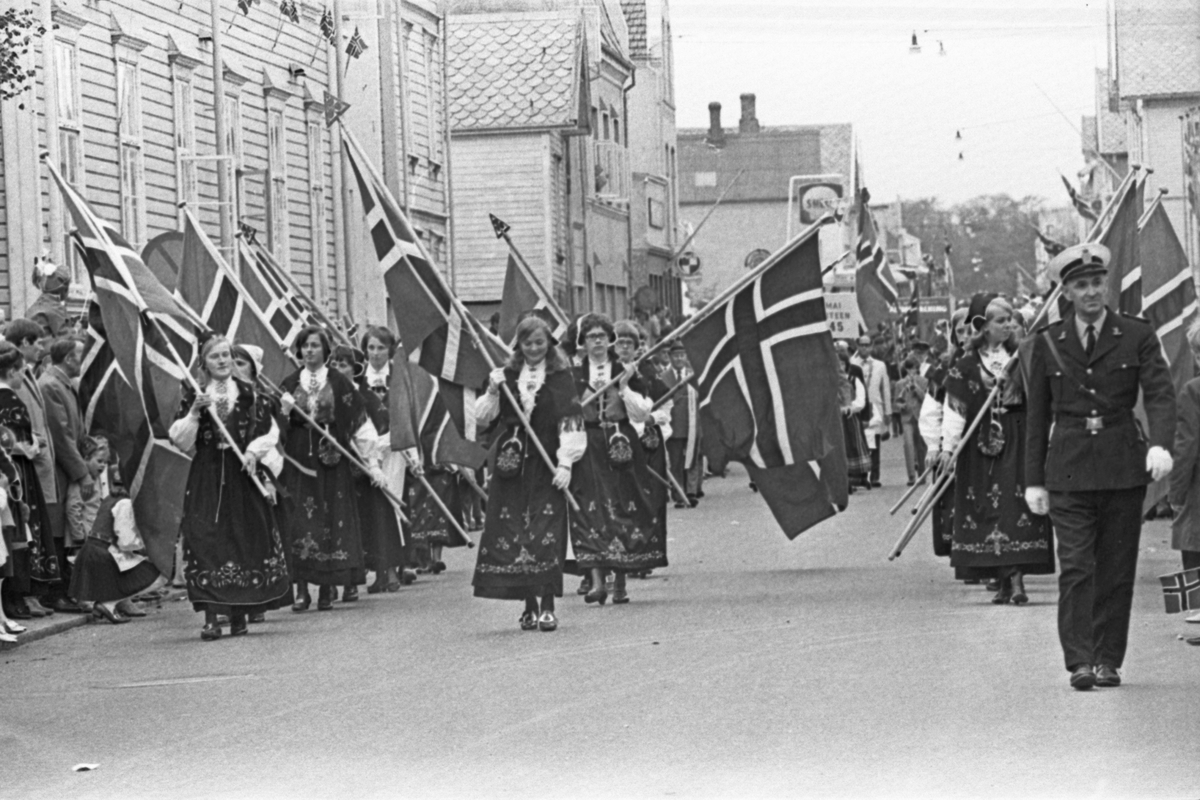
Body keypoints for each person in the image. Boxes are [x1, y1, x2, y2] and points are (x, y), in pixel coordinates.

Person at [1025, 243, 1176, 690]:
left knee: (1115, 566)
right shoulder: (1048, 343)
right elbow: (1038, 416)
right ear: (1065, 292)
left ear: (1105, 285)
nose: (1091, 292)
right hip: (1068, 468)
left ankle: (1109, 658)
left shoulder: (1135, 334)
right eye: (1080, 285)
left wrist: (1162, 444)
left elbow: (1161, 393)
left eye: (1096, 282)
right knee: (1075, 566)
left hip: (1122, 465)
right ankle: (1080, 661)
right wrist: (1033, 479)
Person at [169, 336, 290, 640]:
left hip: (241, 474)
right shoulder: (195, 395)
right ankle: (212, 617)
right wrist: (194, 413)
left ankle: (239, 613)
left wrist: (252, 452)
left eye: (227, 356)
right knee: (206, 538)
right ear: (204, 364)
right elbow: (180, 440)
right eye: (215, 357)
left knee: (242, 538)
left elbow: (270, 431)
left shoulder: (250, 394)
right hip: (207, 475)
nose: (223, 362)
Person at [472, 315, 584, 632]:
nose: (534, 348)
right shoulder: (505, 375)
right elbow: (483, 418)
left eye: (539, 342)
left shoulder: (560, 376)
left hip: (546, 461)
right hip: (512, 464)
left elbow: (571, 420)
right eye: (527, 343)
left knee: (545, 531)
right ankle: (528, 605)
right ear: (518, 345)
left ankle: (547, 603)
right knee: (515, 531)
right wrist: (493, 392)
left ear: (549, 343)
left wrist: (566, 463)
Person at [939, 294, 1054, 604]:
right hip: (979, 444)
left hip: (1018, 437)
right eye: (1000, 321)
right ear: (984, 327)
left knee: (1015, 507)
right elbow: (954, 408)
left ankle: (1016, 581)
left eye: (1009, 321)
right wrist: (948, 448)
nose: (1007, 326)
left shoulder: (1025, 356)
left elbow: (1043, 397)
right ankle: (1003, 580)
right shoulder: (965, 363)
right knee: (988, 509)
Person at [568, 313, 662, 605]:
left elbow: (642, 414)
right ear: (582, 342)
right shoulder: (574, 375)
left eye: (601, 336)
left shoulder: (625, 370)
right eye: (590, 336)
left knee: (622, 507)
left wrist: (624, 387)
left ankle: (620, 581)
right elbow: (565, 414)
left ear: (609, 340)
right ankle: (597, 581)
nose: (596, 341)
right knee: (588, 508)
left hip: (620, 442)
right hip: (587, 444)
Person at [278, 326, 371, 612]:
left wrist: (370, 461)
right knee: (301, 521)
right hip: (299, 461)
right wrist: (283, 411)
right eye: (305, 346)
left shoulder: (339, 382)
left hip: (332, 460)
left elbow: (357, 419)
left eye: (315, 345)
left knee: (330, 519)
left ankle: (328, 587)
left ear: (326, 350)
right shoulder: (289, 383)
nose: (309, 351)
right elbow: (273, 429)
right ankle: (302, 589)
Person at [0, 340, 60, 622]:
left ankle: (18, 595)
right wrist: (35, 442)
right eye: (21, 370)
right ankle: (23, 595)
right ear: (12, 371)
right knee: (25, 531)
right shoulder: (10, 399)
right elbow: (18, 443)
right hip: (18, 471)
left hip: (10, 466)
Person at [38, 336, 99, 611]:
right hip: (62, 473)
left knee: (68, 529)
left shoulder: (62, 384)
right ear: (69, 358)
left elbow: (74, 431)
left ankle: (66, 589)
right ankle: (57, 592)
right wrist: (82, 473)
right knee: (61, 530)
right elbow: (61, 437)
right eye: (79, 355)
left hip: (68, 470)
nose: (82, 360)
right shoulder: (51, 386)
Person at [357, 327, 415, 591]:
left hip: (397, 450)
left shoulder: (400, 379)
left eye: (381, 348)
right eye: (371, 348)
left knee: (393, 504)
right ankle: (380, 569)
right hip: (368, 453)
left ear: (390, 350)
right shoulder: (359, 383)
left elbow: (408, 415)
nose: (376, 353)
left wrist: (406, 447)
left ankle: (396, 568)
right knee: (373, 510)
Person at [1167, 317, 1200, 623]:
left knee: (1194, 541)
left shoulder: (1193, 390)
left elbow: (1186, 446)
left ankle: (1198, 608)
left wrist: (1175, 492)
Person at [662, 341, 702, 507]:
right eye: (675, 355)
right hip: (673, 425)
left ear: (686, 357)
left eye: (682, 355)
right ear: (669, 357)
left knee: (692, 458)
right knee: (676, 461)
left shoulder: (694, 375)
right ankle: (679, 494)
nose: (679, 359)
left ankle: (691, 492)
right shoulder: (663, 377)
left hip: (692, 423)